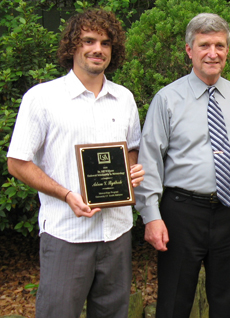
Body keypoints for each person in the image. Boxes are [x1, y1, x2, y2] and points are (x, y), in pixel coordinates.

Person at [6, 9, 144, 318]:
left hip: (116, 233)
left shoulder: (124, 98)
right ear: (72, 46)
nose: (98, 49)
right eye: (89, 40)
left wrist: (131, 170)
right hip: (67, 234)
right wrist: (67, 195)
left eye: (106, 43)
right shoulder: (42, 98)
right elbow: (17, 162)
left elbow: (132, 148)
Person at [134, 13, 230, 318]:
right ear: (189, 50)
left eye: (220, 45)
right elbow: (150, 161)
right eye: (205, 45)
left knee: (226, 300)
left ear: (227, 51)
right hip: (181, 213)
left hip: (229, 211)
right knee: (173, 301)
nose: (213, 53)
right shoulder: (167, 99)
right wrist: (151, 215)